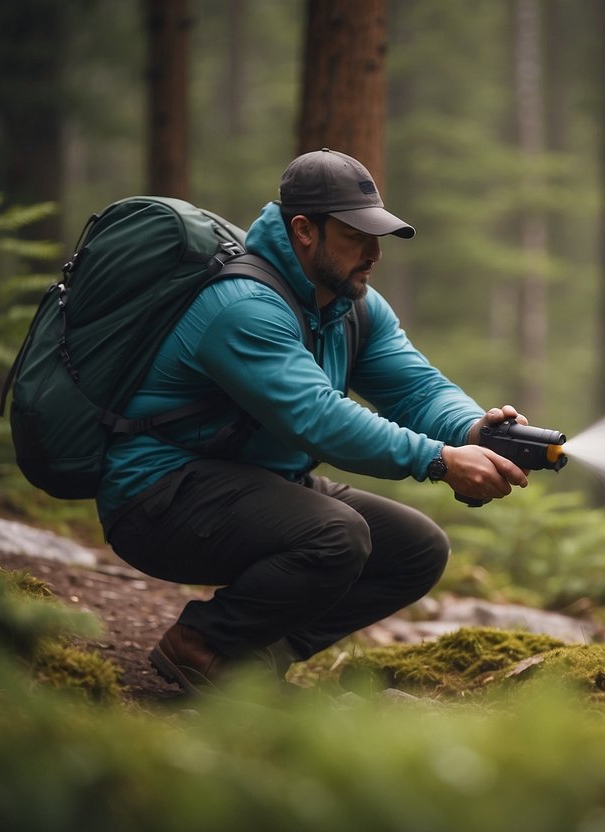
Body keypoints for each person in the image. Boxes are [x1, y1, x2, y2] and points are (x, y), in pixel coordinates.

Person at [98, 148, 530, 695]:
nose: (374, 253)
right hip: (158, 497)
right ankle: (202, 644)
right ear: (304, 230)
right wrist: (439, 461)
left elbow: (416, 388)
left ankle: (249, 664)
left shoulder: (353, 307)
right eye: (356, 236)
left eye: (379, 237)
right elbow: (317, 419)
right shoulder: (243, 306)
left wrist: (475, 431)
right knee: (338, 535)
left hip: (255, 484)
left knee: (416, 548)